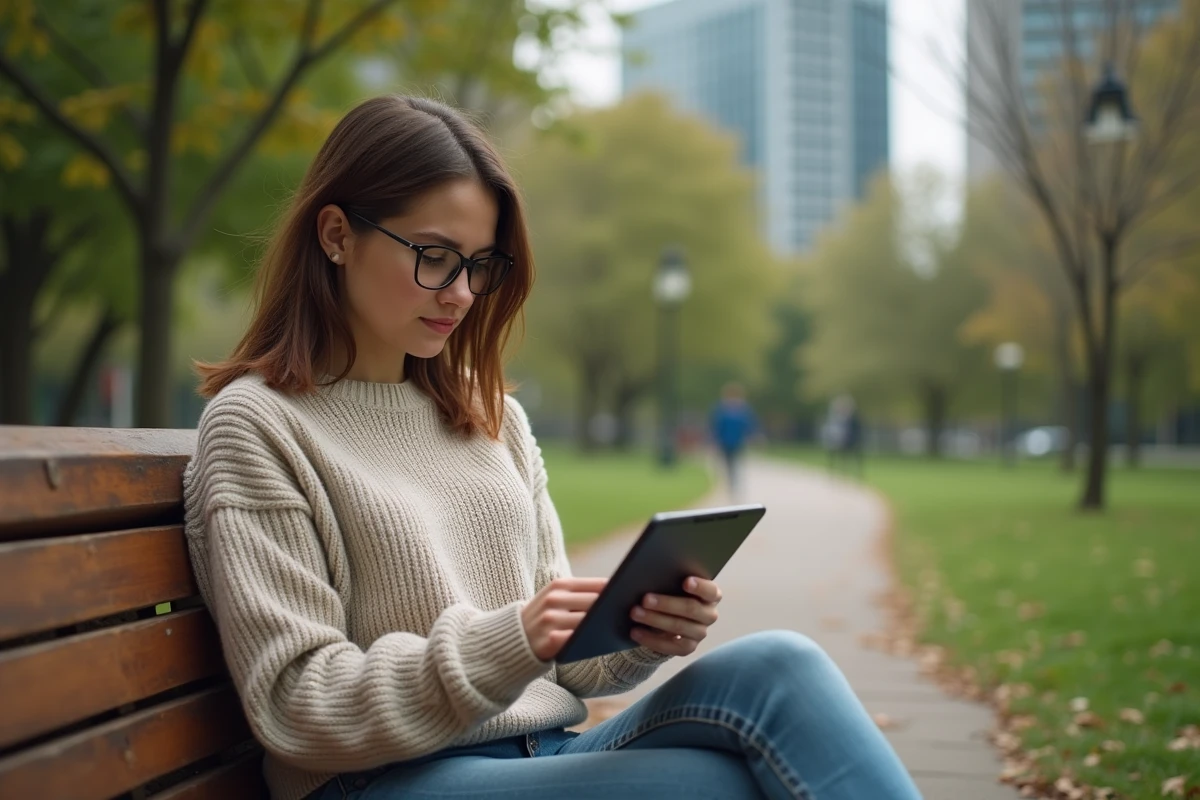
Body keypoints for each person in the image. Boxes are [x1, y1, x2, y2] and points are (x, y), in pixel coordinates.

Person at [184, 95, 923, 800]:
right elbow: (297, 699)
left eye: (480, 265)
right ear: (337, 235)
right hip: (380, 781)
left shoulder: (491, 417)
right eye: (435, 255)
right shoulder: (259, 426)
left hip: (541, 755)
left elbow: (567, 667)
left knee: (780, 666)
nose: (461, 294)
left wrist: (640, 631)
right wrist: (508, 641)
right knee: (725, 787)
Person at [710, 382, 757, 499]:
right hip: (725, 442)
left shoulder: (743, 409)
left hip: (738, 442)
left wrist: (753, 436)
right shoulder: (721, 409)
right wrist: (714, 440)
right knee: (728, 464)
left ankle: (735, 484)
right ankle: (730, 483)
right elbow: (716, 426)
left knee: (736, 464)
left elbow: (749, 425)